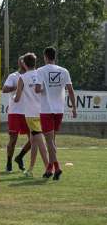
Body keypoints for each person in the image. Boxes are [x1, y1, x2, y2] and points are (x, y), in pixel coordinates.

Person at [36, 46, 77, 180]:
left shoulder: (40, 70)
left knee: (49, 142)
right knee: (52, 141)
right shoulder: (64, 71)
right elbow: (70, 90)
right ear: (54, 56)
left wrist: (39, 89)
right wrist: (74, 108)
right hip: (59, 110)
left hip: (46, 110)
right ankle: (49, 169)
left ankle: (57, 168)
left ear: (45, 56)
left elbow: (37, 89)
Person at [14, 53, 49, 178]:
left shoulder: (22, 78)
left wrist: (14, 97)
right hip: (44, 111)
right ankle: (30, 169)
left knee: (40, 143)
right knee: (33, 142)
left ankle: (48, 168)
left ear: (24, 64)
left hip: (31, 114)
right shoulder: (41, 74)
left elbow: (17, 99)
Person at [2, 56, 31, 173]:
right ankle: (9, 162)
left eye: (25, 61)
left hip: (29, 112)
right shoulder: (13, 76)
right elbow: (4, 89)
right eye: (21, 61)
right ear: (19, 63)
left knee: (34, 139)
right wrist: (18, 86)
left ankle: (20, 157)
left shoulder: (31, 76)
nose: (23, 63)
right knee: (13, 139)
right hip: (15, 112)